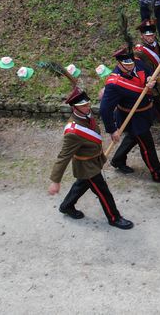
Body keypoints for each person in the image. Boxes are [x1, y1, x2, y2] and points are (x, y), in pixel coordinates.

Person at [48, 88, 133, 229]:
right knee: (103, 192)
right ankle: (114, 217)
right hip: (87, 167)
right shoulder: (73, 132)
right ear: (75, 108)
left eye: (88, 104)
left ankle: (66, 206)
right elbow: (63, 157)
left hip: (94, 159)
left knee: (81, 185)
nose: (88, 107)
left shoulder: (86, 114)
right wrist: (55, 181)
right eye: (83, 106)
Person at [100, 48, 160, 185]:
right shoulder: (114, 83)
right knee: (147, 147)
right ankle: (158, 174)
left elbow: (149, 73)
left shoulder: (138, 63)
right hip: (132, 118)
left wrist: (149, 79)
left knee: (133, 138)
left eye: (131, 63)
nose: (130, 66)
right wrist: (112, 130)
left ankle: (118, 160)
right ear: (119, 63)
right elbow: (105, 109)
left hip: (146, 111)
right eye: (126, 64)